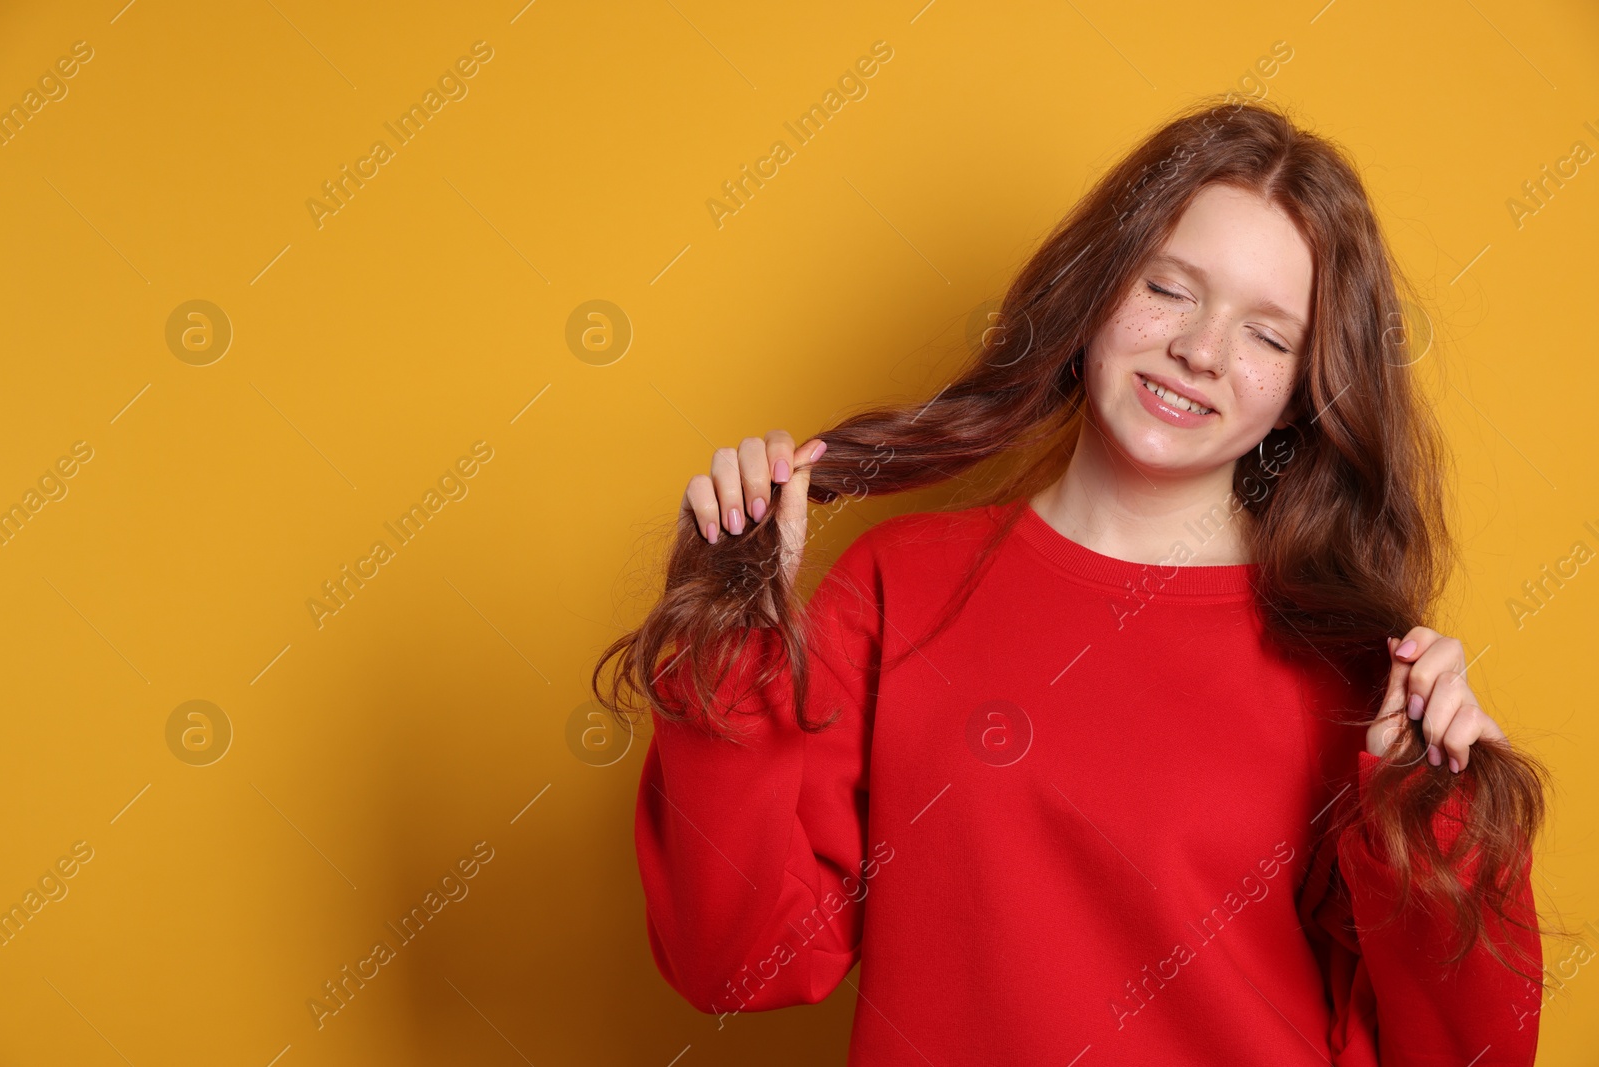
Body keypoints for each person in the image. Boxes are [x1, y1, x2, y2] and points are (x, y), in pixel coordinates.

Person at [595, 96, 1551, 1065]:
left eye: (1268, 335)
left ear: (1308, 386)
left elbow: (1468, 1054)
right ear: (1097, 287)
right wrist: (727, 624)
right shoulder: (899, 583)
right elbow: (739, 963)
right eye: (1169, 288)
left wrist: (1442, 819)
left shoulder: (1350, 671)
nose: (1202, 350)